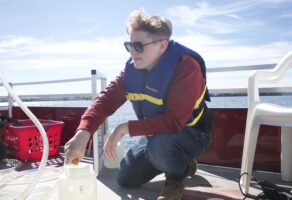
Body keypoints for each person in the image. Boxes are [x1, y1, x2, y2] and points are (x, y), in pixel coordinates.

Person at [64, 9, 213, 200]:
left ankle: (177, 175)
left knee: (160, 146)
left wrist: (124, 127)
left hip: (193, 132)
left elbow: (174, 122)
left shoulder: (186, 67)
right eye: (129, 45)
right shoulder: (131, 71)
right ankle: (179, 160)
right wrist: (82, 134)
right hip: (156, 135)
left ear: (162, 46)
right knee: (125, 178)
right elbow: (105, 100)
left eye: (139, 46)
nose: (132, 51)